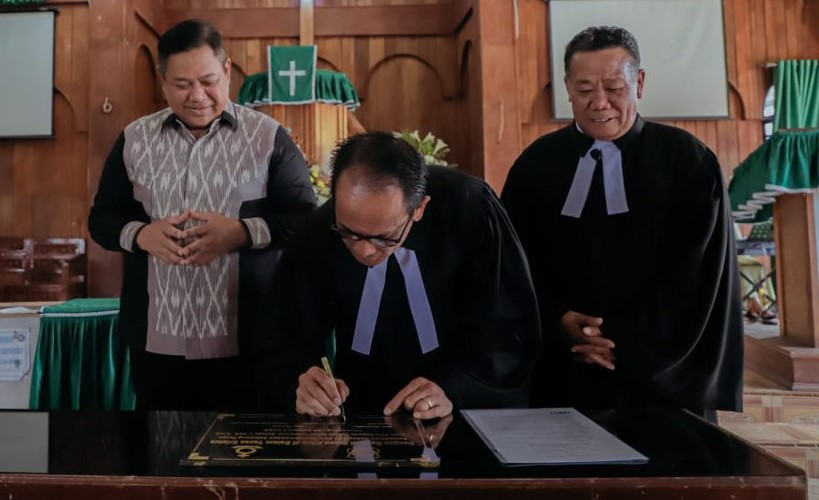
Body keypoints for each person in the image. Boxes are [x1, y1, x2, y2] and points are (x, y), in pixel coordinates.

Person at [501, 26, 743, 420]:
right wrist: (557, 321)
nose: (599, 103)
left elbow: (698, 274)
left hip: (662, 373)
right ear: (566, 87)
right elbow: (513, 264)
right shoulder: (535, 166)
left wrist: (622, 341)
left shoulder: (687, 161)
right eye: (583, 90)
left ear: (639, 82)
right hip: (563, 365)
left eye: (614, 87)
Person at [88, 19, 317, 410]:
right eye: (182, 84)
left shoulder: (267, 136)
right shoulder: (133, 140)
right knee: (163, 459)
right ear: (162, 80)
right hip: (158, 345)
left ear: (227, 71)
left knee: (245, 459)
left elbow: (306, 218)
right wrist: (141, 235)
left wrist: (241, 233)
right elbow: (102, 219)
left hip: (250, 343)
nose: (198, 96)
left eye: (208, 80)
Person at [261, 132, 540, 420]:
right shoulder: (319, 230)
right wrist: (304, 382)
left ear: (419, 208)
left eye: (384, 237)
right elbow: (287, 337)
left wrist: (455, 389)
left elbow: (508, 328)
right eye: (349, 232)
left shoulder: (470, 208)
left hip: (461, 404)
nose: (366, 251)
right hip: (360, 408)